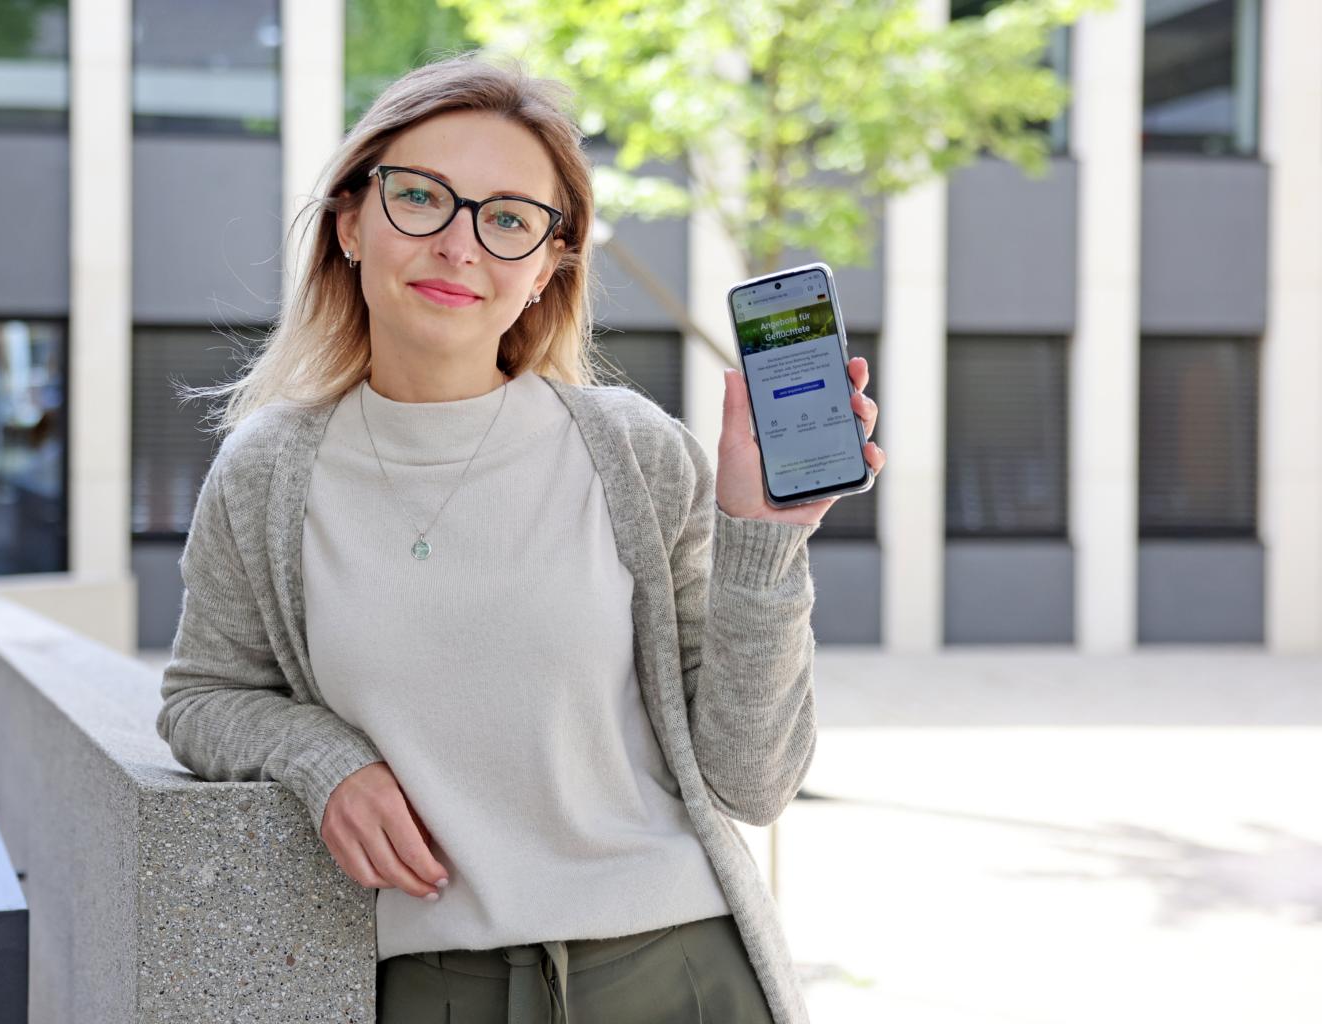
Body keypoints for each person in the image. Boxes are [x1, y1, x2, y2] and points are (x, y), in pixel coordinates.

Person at [156, 51, 885, 1024]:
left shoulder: (634, 452)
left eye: (508, 219)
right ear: (350, 222)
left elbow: (753, 782)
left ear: (548, 265)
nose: (461, 246)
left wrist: (764, 533)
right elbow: (202, 695)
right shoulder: (267, 474)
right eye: (422, 198)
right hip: (431, 984)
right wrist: (318, 757)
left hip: (681, 970)